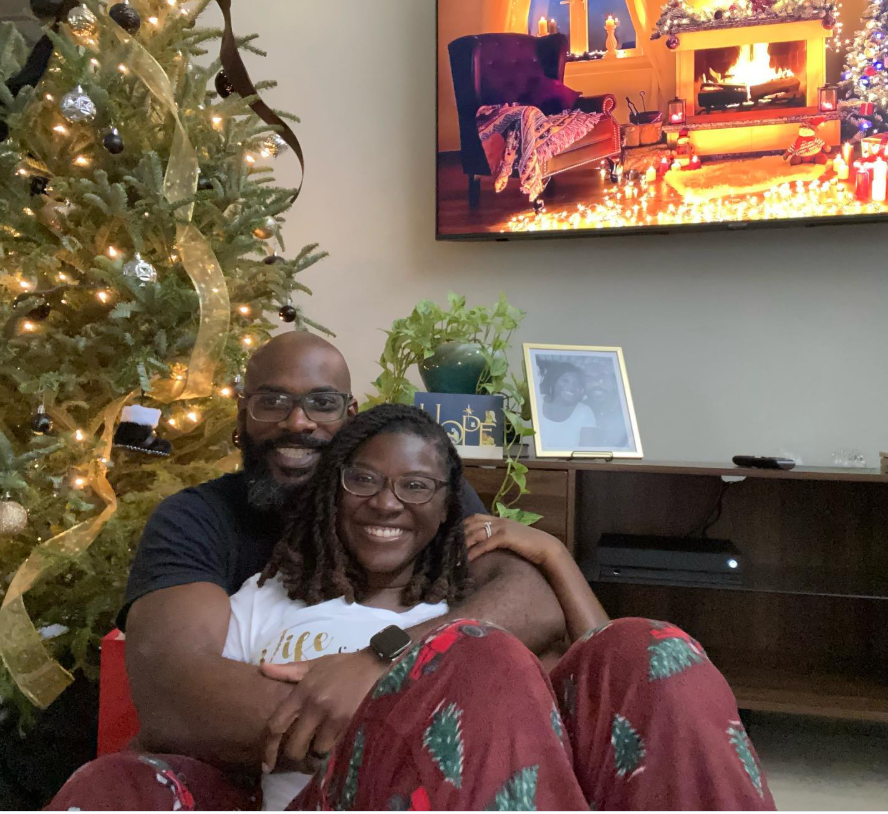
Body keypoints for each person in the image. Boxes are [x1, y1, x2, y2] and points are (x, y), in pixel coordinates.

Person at [49, 405, 775, 811]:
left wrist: (389, 659)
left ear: (446, 505)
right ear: (331, 488)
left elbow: (597, 672)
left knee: (650, 643)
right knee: (479, 660)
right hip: (336, 797)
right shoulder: (261, 599)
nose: (387, 503)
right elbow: (181, 722)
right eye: (363, 479)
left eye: (416, 488)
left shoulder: (468, 602)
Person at [107, 333, 567, 771]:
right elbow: (176, 693)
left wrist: (382, 663)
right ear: (243, 412)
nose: (297, 422)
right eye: (272, 401)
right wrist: (388, 719)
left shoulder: (412, 494)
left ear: (350, 417)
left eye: (322, 404)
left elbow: (528, 602)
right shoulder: (195, 519)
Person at [537, 361, 598, 451]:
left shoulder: (584, 411)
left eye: (577, 383)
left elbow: (588, 453)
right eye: (565, 380)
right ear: (554, 382)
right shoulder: (536, 402)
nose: (571, 387)